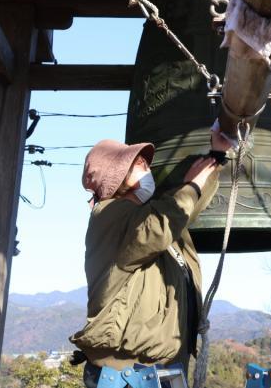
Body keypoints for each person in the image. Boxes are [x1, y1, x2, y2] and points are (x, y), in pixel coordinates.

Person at [71, 128, 230, 388]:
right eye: (138, 164)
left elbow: (180, 211)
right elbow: (159, 225)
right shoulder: (108, 216)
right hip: (127, 375)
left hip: (162, 371)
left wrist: (217, 155)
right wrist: (190, 186)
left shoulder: (146, 219)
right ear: (117, 176)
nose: (148, 168)